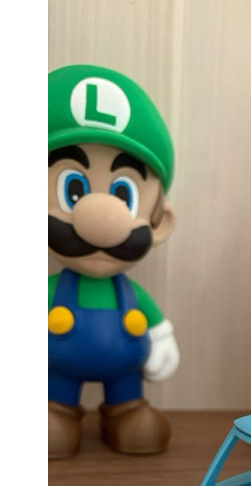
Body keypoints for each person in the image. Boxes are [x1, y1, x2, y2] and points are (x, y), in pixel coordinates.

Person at [48, 65, 179, 458]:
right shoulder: (50, 290)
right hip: (56, 372)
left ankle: (126, 411)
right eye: (73, 189)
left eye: (125, 195)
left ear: (159, 223)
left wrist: (161, 338)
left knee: (138, 425)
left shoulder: (132, 293)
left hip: (125, 374)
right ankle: (56, 411)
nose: (102, 218)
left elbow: (154, 321)